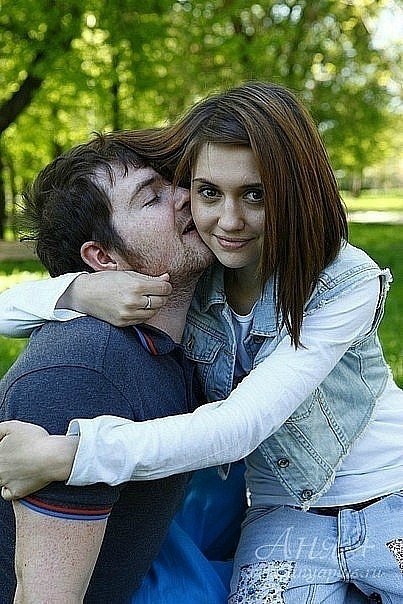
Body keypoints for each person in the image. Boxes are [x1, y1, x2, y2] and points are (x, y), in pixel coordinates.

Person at [0, 81, 402, 603]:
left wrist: (71, 455)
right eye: (207, 191)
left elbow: (240, 427)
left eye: (255, 194)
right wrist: (80, 289)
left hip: (390, 489)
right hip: (286, 512)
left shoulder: (341, 280)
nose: (223, 219)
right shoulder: (188, 282)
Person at [0, 132, 235, 603]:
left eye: (176, 182)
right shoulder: (84, 373)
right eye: (152, 197)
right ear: (102, 258)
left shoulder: (186, 342)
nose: (186, 196)